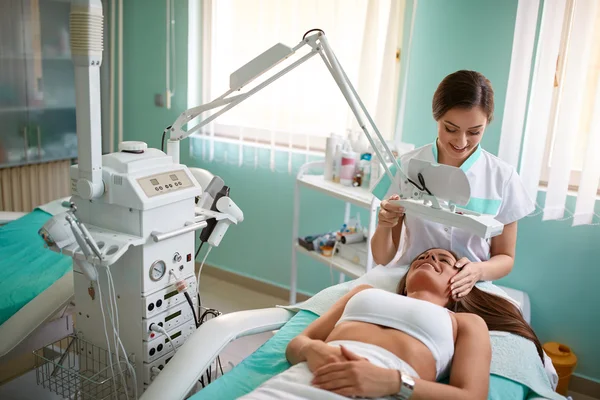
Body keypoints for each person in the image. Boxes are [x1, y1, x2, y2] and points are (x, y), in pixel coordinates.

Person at [240, 248, 543, 400]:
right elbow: (297, 344)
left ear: (460, 281)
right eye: (422, 258)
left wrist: (394, 382)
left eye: (443, 260)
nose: (428, 259)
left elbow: (471, 397)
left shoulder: (465, 322)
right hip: (303, 380)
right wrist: (314, 352)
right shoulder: (363, 293)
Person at [371, 70, 535, 300]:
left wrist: (478, 271)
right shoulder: (406, 167)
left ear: (487, 123)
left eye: (475, 132)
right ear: (437, 117)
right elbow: (383, 257)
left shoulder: (502, 177)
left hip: (471, 287)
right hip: (414, 283)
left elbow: (505, 257)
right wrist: (384, 224)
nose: (461, 142)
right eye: (451, 129)